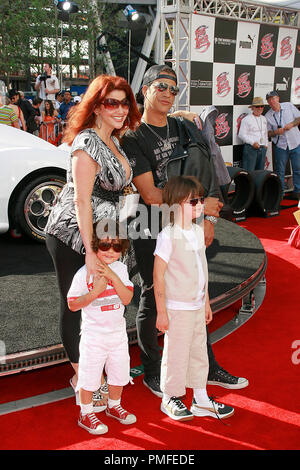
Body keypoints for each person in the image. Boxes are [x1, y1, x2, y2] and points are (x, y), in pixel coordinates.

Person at [121, 64, 249, 397]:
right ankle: (153, 370)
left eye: (173, 89)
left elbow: (209, 173)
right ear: (145, 90)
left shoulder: (186, 127)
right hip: (149, 224)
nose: (166, 93)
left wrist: (209, 218)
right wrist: (198, 205)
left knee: (193, 293)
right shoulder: (133, 138)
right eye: (160, 86)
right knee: (153, 293)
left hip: (186, 223)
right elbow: (149, 194)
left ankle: (206, 367)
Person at [45, 74, 140, 408]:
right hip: (73, 233)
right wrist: (89, 251)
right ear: (97, 106)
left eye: (124, 102)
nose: (119, 108)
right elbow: (82, 201)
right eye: (111, 102)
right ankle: (81, 377)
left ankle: (95, 371)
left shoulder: (115, 139)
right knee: (75, 303)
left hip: (103, 234)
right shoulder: (87, 141)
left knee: (109, 297)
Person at [154, 175, 234, 421]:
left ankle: (201, 398)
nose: (201, 204)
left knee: (199, 351)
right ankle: (170, 397)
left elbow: (202, 269)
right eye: (194, 201)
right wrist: (161, 311)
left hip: (198, 306)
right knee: (176, 353)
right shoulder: (168, 235)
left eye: (200, 199)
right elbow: (158, 276)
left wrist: (207, 301)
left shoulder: (198, 232)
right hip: (177, 307)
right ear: (176, 204)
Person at [67, 221, 136, 435]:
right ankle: (85, 413)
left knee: (119, 374)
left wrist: (113, 277)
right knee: (89, 378)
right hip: (93, 337)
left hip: (117, 335)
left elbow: (127, 298)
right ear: (95, 245)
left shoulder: (121, 269)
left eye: (117, 247)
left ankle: (114, 406)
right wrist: (95, 292)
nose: (111, 252)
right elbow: (71, 305)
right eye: (105, 246)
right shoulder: (83, 273)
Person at [265, 90, 300, 200]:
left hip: (295, 142)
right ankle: (280, 194)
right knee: (279, 170)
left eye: (273, 98)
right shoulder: (268, 115)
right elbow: (267, 133)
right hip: (281, 146)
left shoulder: (289, 106)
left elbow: (299, 118)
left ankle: (298, 191)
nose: (272, 101)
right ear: (268, 102)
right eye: (269, 99)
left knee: (298, 168)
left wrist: (292, 124)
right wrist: (276, 132)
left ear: (278, 98)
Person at [238, 97, 268, 172]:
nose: (260, 108)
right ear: (252, 108)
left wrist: (266, 144)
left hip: (262, 148)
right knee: (249, 172)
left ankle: (258, 184)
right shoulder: (246, 119)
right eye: (257, 106)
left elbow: (265, 133)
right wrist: (252, 143)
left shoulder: (264, 118)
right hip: (251, 149)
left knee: (260, 172)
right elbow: (241, 134)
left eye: (262, 106)